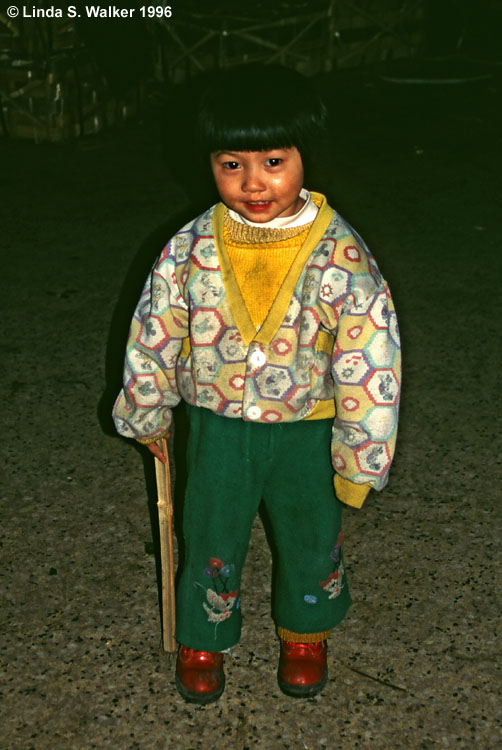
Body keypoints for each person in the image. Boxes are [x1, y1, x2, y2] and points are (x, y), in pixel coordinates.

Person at [113, 64, 401, 704]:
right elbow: (154, 330)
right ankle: (204, 636)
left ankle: (306, 630)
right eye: (231, 163)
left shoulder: (339, 254)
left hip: (307, 426)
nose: (253, 182)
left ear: (306, 157)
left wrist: (361, 458)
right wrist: (147, 412)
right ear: (209, 165)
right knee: (210, 529)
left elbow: (374, 358)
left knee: (309, 529)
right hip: (217, 427)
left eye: (273, 160)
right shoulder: (190, 248)